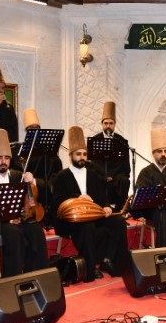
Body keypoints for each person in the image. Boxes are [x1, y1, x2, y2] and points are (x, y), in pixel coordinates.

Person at [50, 126, 128, 282]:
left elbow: (103, 196)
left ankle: (111, 261)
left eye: (84, 154)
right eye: (78, 154)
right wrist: (78, 198)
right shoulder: (61, 176)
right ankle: (90, 268)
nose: (82, 157)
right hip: (71, 220)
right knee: (88, 227)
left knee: (119, 221)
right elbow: (57, 203)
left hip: (94, 216)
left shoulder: (93, 174)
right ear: (70, 156)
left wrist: (106, 206)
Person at [0, 128, 48, 277]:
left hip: (18, 220)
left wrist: (32, 180)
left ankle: (38, 275)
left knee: (35, 230)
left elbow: (45, 190)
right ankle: (13, 279)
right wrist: (7, 219)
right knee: (13, 234)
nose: (3, 162)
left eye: (7, 158)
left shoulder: (17, 175)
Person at [15, 108, 63, 226]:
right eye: (31, 129)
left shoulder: (50, 155)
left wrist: (35, 181)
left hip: (43, 191)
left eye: (37, 128)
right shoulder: (20, 152)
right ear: (26, 132)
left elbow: (54, 181)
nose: (35, 131)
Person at [89, 101, 131, 211]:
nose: (108, 126)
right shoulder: (94, 140)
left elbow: (125, 164)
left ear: (115, 124)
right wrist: (105, 175)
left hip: (116, 176)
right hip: (100, 174)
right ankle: (101, 208)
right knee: (95, 178)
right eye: (106, 123)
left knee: (124, 180)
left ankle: (121, 209)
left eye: (111, 123)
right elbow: (93, 163)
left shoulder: (121, 141)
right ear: (102, 124)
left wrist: (112, 176)